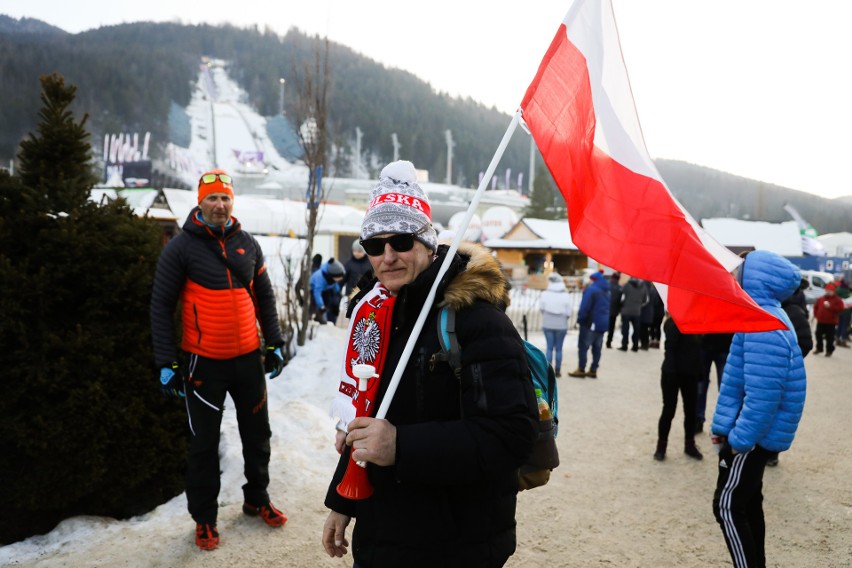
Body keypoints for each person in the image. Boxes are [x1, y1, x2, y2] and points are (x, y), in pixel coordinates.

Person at [322, 160, 538, 567]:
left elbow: (512, 435)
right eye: (374, 244)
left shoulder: (476, 320)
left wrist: (401, 445)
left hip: (456, 542)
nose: (388, 256)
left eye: (401, 241)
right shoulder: (376, 317)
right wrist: (343, 501)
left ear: (428, 243)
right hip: (383, 536)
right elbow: (368, 421)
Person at [150, 169, 288, 551]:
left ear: (232, 201)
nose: (219, 205)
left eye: (225, 198)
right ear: (199, 201)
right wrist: (166, 362)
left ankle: (256, 498)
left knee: (258, 435)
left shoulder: (248, 244)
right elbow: (161, 306)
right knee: (204, 444)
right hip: (203, 365)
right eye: (212, 198)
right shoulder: (180, 248)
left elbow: (265, 296)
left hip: (247, 361)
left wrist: (275, 342)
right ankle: (204, 519)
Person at [711, 250, 806, 568]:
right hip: (746, 430)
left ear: (756, 278)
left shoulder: (765, 325)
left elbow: (763, 398)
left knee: (726, 506)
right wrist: (722, 426)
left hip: (751, 437)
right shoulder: (757, 315)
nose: (734, 275)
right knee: (749, 503)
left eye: (740, 270)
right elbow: (737, 377)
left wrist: (737, 440)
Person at [654, 315, 703, 461]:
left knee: (691, 411)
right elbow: (669, 349)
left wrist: (699, 371)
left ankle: (689, 444)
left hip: (691, 374)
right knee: (669, 410)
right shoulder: (673, 322)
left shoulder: (697, 323)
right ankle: (661, 446)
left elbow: (698, 351)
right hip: (672, 373)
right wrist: (671, 372)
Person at [568, 271, 609, 379]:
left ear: (593, 279)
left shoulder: (591, 290)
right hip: (602, 324)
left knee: (583, 347)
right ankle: (593, 369)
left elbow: (584, 307)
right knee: (597, 348)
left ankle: (581, 369)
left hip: (590, 323)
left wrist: (580, 319)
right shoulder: (607, 290)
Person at [695, 332, 733, 434]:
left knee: (724, 388)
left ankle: (700, 419)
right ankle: (699, 419)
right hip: (712, 343)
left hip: (719, 344)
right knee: (703, 385)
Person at [539, 273, 573, 377]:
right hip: (561, 325)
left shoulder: (545, 294)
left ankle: (549, 371)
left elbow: (542, 309)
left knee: (549, 348)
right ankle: (558, 371)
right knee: (559, 348)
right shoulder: (566, 296)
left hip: (548, 324)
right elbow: (569, 313)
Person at [310, 257, 346, 325]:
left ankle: (319, 316)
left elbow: (335, 286)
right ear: (334, 276)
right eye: (340, 277)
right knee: (314, 304)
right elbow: (317, 293)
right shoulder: (319, 277)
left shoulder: (331, 276)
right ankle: (311, 317)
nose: (341, 278)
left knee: (329, 300)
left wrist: (338, 293)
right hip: (312, 289)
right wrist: (321, 306)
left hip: (324, 290)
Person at [813, 282, 844, 356]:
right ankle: (819, 348)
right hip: (820, 321)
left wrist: (830, 307)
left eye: (830, 291)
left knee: (830, 337)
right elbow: (816, 307)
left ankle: (829, 351)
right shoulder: (821, 299)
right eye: (827, 290)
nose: (828, 292)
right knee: (818, 334)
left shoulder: (837, 300)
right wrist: (816, 315)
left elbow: (841, 308)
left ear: (833, 291)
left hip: (831, 322)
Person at [618, 276, 648, 352]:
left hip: (626, 311)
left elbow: (622, 296)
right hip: (637, 312)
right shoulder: (643, 286)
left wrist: (623, 304)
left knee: (625, 329)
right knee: (636, 330)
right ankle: (635, 346)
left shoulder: (627, 285)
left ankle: (624, 346)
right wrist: (639, 305)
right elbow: (645, 300)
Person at [605, 272, 622, 349]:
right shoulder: (619, 288)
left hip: (605, 310)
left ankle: (600, 341)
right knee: (611, 328)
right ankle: (608, 342)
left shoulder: (607, 286)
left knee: (603, 326)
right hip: (614, 311)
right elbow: (620, 301)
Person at [833, 277, 851, 348]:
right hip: (847, 311)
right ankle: (843, 340)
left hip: (839, 311)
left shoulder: (837, 290)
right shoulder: (848, 291)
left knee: (839, 325)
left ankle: (837, 338)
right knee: (845, 326)